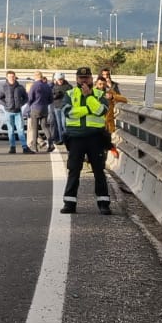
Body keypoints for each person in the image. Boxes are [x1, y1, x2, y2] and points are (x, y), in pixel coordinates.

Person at [60, 67, 112, 215]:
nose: (84, 80)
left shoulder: (99, 94)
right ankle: (69, 203)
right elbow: (68, 112)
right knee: (74, 170)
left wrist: (89, 97)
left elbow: (102, 110)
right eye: (81, 78)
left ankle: (104, 203)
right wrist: (89, 109)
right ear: (76, 79)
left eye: (87, 78)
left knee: (99, 171)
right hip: (76, 138)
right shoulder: (70, 94)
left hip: (95, 137)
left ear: (91, 79)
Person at [0, 72, 31, 154]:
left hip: (17, 112)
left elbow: (26, 98)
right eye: (9, 76)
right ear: (7, 77)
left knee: (20, 130)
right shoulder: (4, 87)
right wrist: (6, 105)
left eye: (13, 76)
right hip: (8, 112)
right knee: (11, 130)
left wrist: (21, 104)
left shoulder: (20, 87)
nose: (11, 78)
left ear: (15, 77)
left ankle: (25, 147)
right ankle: (12, 147)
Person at [26, 73, 52, 153]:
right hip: (44, 108)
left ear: (35, 77)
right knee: (44, 126)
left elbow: (30, 98)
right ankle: (51, 144)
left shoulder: (34, 86)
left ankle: (34, 146)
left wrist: (30, 105)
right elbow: (51, 99)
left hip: (35, 108)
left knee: (35, 128)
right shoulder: (47, 86)